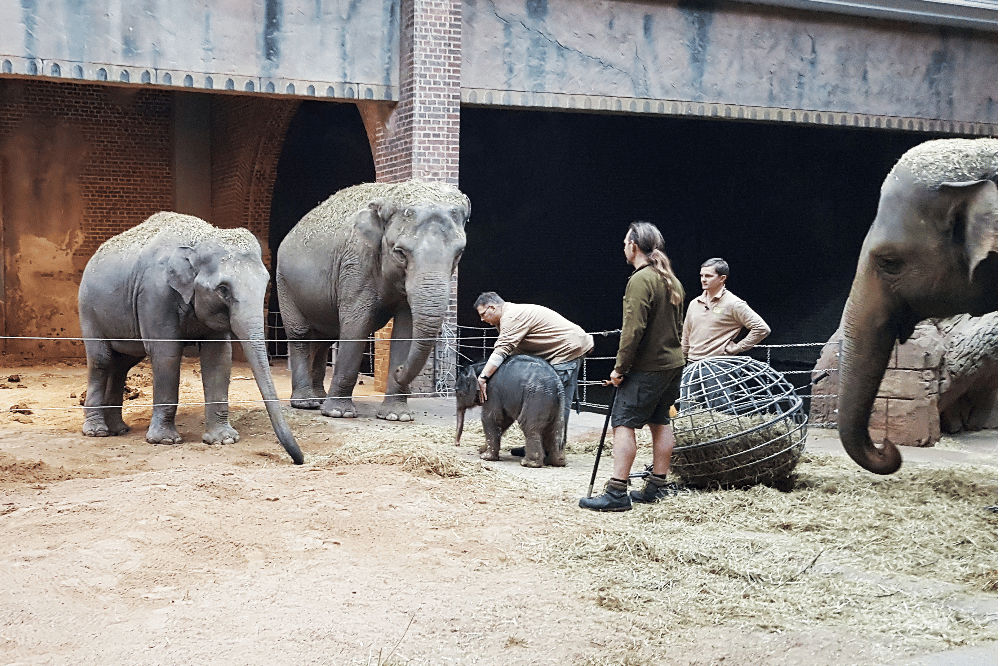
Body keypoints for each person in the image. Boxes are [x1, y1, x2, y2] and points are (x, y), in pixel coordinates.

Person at [579, 221, 685, 512]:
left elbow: (633, 330)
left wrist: (619, 368)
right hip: (672, 364)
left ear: (634, 246)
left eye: (626, 243)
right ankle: (657, 485)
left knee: (623, 423)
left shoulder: (640, 280)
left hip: (647, 367)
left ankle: (616, 492)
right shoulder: (671, 280)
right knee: (661, 420)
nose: (624, 247)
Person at [474, 292, 594, 452]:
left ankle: (547, 450)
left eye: (483, 314)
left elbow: (502, 350)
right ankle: (549, 448)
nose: (482, 319)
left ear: (492, 307)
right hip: (568, 349)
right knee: (555, 401)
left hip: (566, 351)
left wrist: (483, 377)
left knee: (549, 400)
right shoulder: (509, 316)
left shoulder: (512, 317)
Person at [681, 258, 770, 361]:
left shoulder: (733, 303)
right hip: (692, 364)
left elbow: (762, 328)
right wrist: (681, 361)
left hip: (718, 366)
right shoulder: (694, 303)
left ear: (722, 278)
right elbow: (686, 336)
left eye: (708, 276)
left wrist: (738, 347)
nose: (703, 279)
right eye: (702, 275)